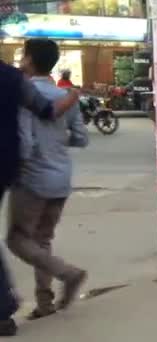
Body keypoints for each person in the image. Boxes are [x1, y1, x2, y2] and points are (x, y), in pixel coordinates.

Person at [7, 39, 88, 322]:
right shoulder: (64, 95)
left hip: (33, 179)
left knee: (17, 240)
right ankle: (45, 303)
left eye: (22, 56)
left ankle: (69, 274)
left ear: (29, 59)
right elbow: (81, 138)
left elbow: (26, 143)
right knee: (42, 240)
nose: (20, 62)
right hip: (61, 177)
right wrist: (56, 140)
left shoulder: (23, 94)